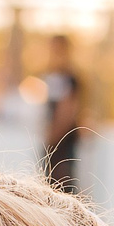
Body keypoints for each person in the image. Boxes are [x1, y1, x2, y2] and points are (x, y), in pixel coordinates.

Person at [39, 34, 86, 194]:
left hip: (62, 141)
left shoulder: (69, 78)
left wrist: (52, 137)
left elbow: (67, 111)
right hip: (52, 140)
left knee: (62, 187)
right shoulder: (50, 76)